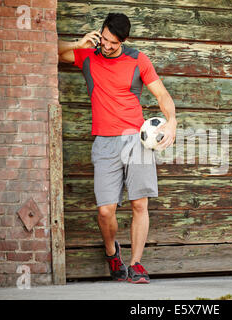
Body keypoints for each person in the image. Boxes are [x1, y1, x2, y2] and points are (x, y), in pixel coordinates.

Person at [58, 13, 177, 284]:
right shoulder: (87, 55)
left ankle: (135, 264)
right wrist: (78, 43)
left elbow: (162, 95)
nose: (107, 46)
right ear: (100, 32)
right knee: (105, 211)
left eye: (113, 42)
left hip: (137, 139)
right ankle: (113, 253)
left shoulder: (138, 60)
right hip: (105, 141)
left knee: (139, 203)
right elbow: (48, 50)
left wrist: (172, 121)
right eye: (104, 39)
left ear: (124, 40)